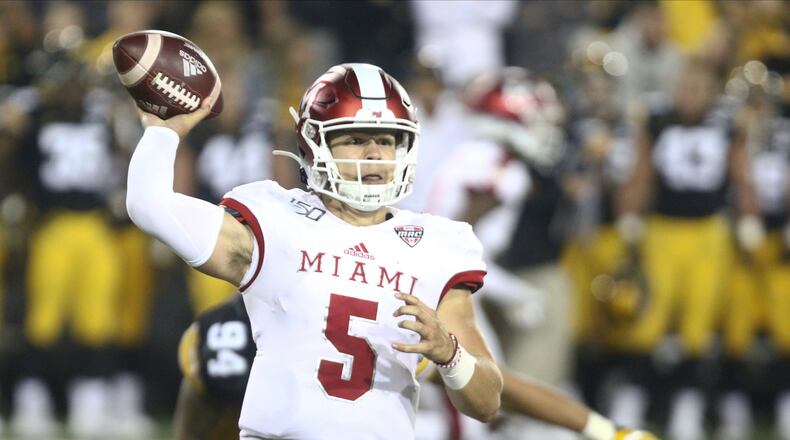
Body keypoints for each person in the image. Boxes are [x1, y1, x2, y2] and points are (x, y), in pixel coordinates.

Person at [126, 63, 503, 439]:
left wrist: (450, 353)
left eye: (386, 140)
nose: (374, 154)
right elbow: (150, 206)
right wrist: (164, 132)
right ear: (315, 144)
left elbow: (487, 403)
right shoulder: (275, 220)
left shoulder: (436, 245)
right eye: (356, 139)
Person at [174, 294, 657, 440]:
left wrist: (599, 428)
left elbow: (495, 389)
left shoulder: (364, 324)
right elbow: (199, 406)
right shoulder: (224, 342)